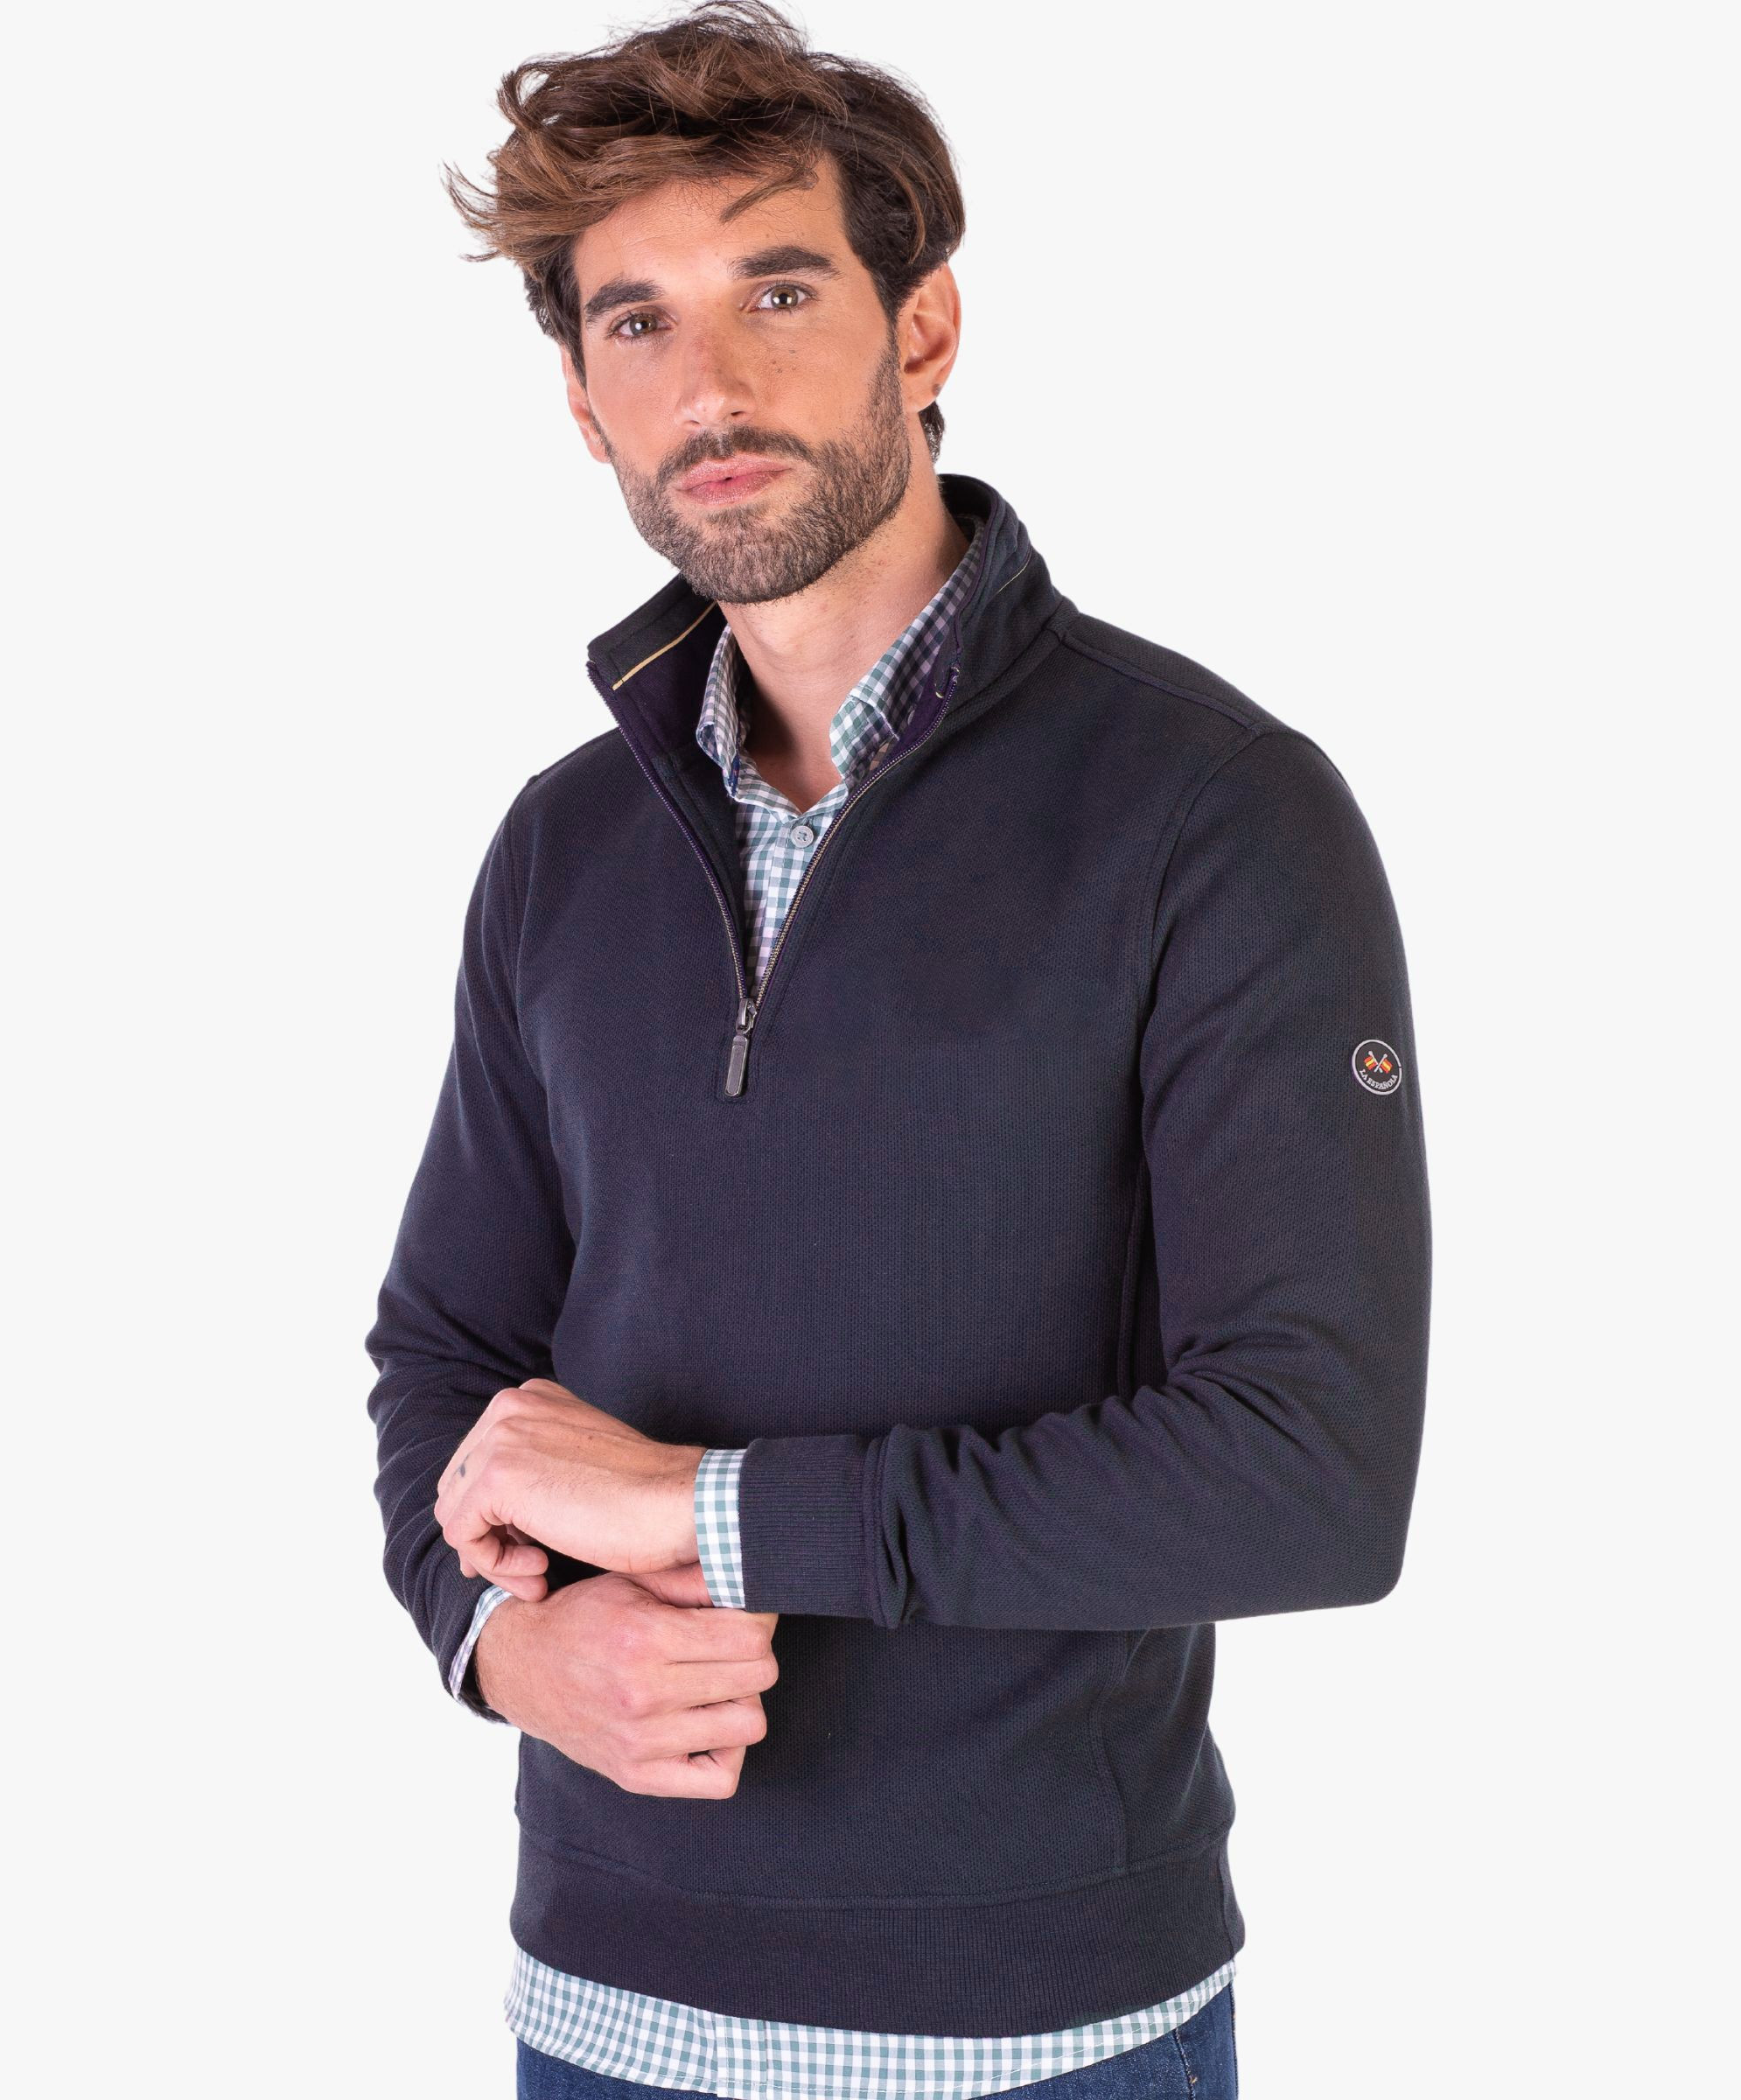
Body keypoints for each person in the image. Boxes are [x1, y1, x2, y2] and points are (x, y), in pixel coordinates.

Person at [364, 6, 1432, 2096]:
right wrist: (498, 1644)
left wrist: (709, 1513)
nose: (711, 383)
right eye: (637, 322)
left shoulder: (1209, 811)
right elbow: (446, 1351)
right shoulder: (563, 845)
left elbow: (1306, 1476)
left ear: (920, 328)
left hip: (1040, 2029)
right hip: (597, 2007)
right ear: (583, 403)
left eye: (778, 291)